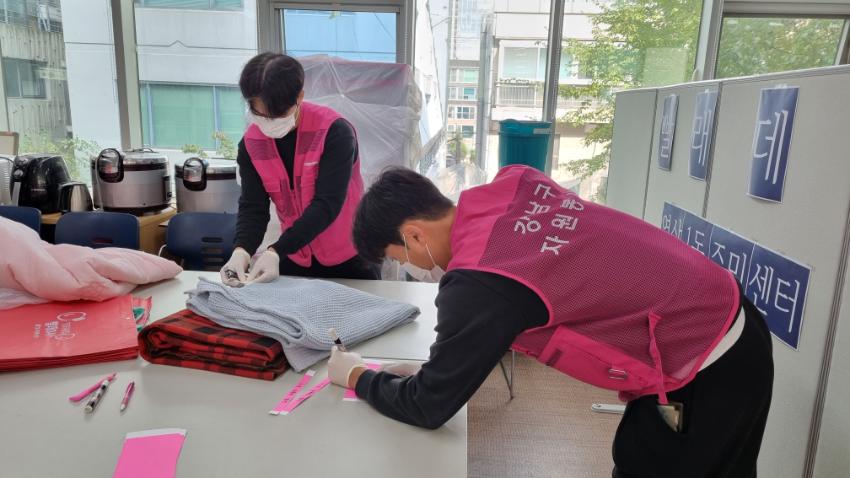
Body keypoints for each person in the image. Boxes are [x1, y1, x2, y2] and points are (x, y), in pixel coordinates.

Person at [328, 165, 774, 478]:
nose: (409, 269)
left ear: (413, 234)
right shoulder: (510, 189)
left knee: (652, 466)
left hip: (707, 357)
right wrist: (433, 372)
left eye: (399, 258)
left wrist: (357, 376)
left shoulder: (479, 281)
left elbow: (428, 407)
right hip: (726, 317)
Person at [220, 53, 379, 286]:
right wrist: (241, 251)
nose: (269, 122)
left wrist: (275, 251)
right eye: (261, 114)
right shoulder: (252, 144)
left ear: (300, 97)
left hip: (349, 257)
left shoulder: (334, 132)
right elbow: (253, 207)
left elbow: (327, 204)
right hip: (295, 256)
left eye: (278, 114)